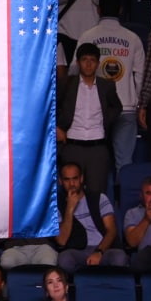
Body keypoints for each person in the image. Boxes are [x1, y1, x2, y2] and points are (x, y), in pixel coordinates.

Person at [76, 0, 145, 172]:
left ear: (98, 10)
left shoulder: (87, 36)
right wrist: (138, 103)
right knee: (125, 163)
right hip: (126, 106)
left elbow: (75, 71)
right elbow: (140, 75)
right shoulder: (133, 38)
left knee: (96, 160)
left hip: (95, 107)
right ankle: (123, 191)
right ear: (121, 10)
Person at [56, 42, 121, 200]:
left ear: (98, 63)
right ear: (78, 62)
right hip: (72, 145)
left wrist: (105, 122)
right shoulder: (66, 83)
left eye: (92, 60)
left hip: (98, 147)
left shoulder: (106, 86)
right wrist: (56, 127)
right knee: (70, 194)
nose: (88, 64)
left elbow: (117, 107)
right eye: (84, 59)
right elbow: (50, 106)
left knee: (97, 196)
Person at [56, 162, 129, 272]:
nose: (72, 184)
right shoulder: (56, 206)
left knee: (119, 257)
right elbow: (61, 240)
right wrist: (69, 209)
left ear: (81, 179)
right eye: (67, 180)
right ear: (60, 181)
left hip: (103, 248)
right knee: (64, 258)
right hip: (79, 251)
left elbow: (112, 230)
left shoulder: (99, 198)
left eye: (75, 178)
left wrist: (99, 251)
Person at [123, 175, 151, 274]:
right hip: (146, 256)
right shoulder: (132, 213)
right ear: (141, 195)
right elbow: (132, 242)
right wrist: (146, 219)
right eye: (149, 193)